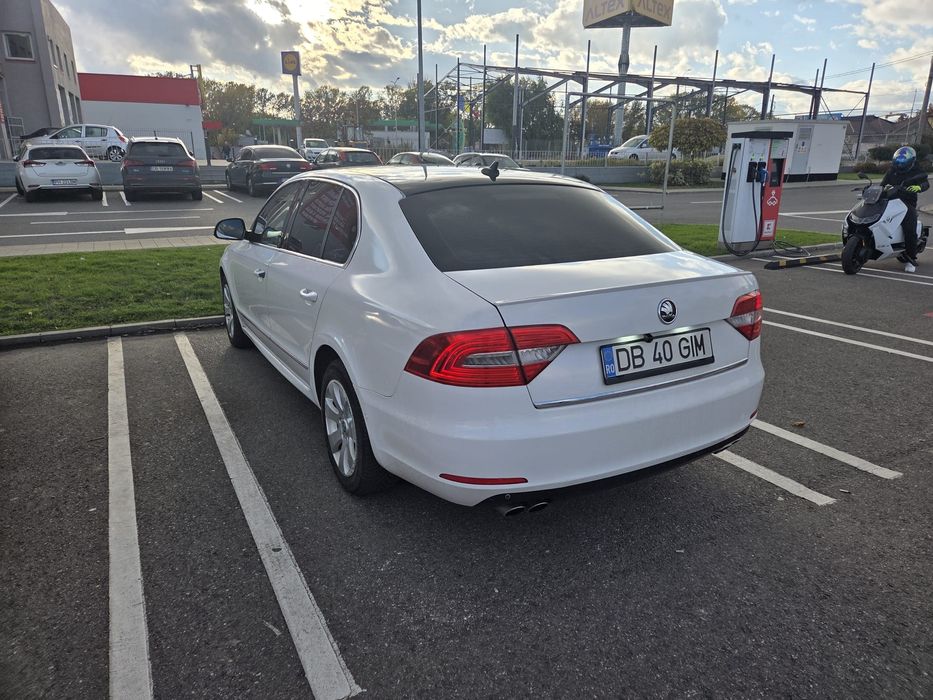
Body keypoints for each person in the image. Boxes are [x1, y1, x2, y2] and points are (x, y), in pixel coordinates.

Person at [881, 146, 929, 272]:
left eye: (903, 159)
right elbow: (882, 184)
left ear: (910, 160)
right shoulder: (892, 170)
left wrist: (919, 187)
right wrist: (880, 190)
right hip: (890, 200)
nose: (900, 162)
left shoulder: (916, 170)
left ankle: (911, 259)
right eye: (899, 159)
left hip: (907, 202)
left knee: (909, 228)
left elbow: (925, 182)